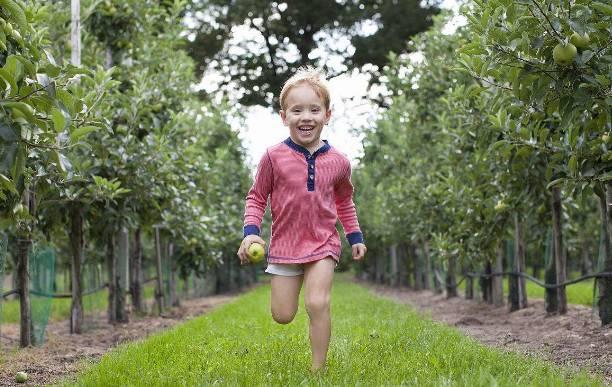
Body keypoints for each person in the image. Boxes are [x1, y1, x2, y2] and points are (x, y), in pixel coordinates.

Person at [236, 66, 367, 372]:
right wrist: (251, 232)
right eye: (297, 110)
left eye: (314, 109)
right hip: (285, 243)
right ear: (284, 116)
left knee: (317, 303)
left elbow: (344, 200)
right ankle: (296, 326)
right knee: (282, 314)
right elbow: (256, 197)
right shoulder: (273, 157)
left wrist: (355, 236)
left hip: (323, 242)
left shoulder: (339, 162)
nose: (305, 117)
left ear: (327, 114)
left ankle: (317, 370)